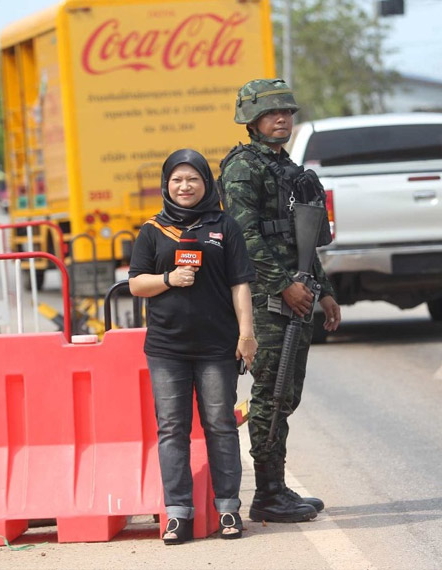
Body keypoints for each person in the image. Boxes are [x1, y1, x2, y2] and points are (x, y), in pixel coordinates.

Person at [220, 78, 341, 523]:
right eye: (272, 113)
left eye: (287, 112)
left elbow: (302, 241)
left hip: (297, 293)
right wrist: (284, 286)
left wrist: (324, 291)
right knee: (271, 393)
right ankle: (268, 494)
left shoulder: (286, 167)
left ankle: (277, 487)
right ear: (251, 120)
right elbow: (245, 238)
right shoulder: (242, 168)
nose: (282, 119)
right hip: (267, 297)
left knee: (285, 392)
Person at [128, 149, 258, 544]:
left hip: (217, 346)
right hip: (166, 348)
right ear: (166, 184)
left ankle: (229, 509)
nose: (185, 187)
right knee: (172, 429)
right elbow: (136, 284)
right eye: (177, 180)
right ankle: (178, 514)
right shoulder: (153, 229)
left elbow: (240, 284)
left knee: (220, 425)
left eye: (193, 179)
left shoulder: (224, 225)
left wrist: (246, 334)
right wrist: (169, 278)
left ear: (206, 183)